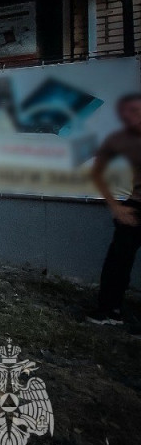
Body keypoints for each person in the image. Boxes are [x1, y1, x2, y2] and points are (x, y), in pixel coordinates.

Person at [88, 93, 141, 325]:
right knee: (118, 262)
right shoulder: (123, 139)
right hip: (135, 207)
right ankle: (110, 311)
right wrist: (115, 207)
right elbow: (97, 171)